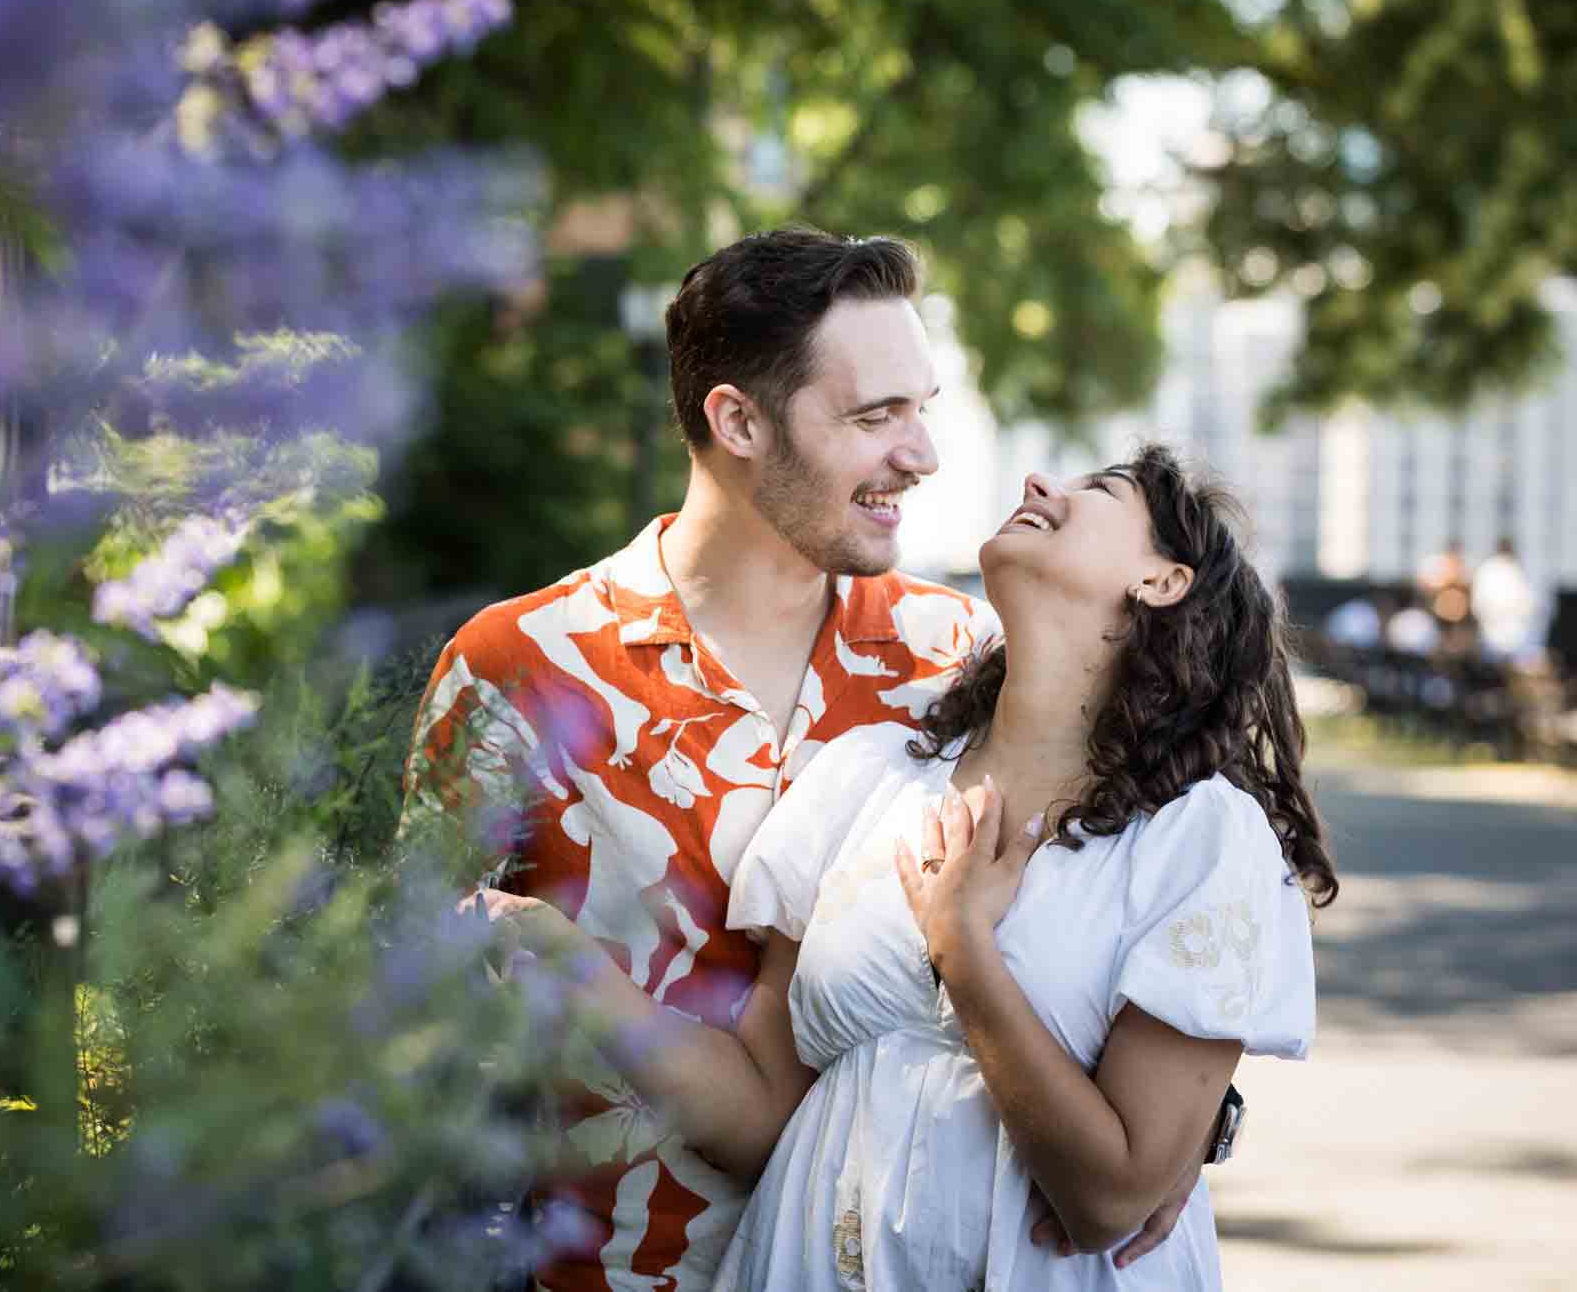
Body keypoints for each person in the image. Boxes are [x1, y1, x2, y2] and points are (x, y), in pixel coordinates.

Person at [406, 227, 1196, 1290]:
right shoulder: (515, 671)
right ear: (735, 419)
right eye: (876, 416)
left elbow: (1110, 923)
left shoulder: (961, 659)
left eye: (920, 407)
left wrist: (1182, 1126)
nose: (921, 454)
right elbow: (403, 1017)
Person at [483, 447, 1335, 1289]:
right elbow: (759, 1114)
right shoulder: (870, 774)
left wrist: (960, 943)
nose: (1040, 483)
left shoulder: (1199, 835)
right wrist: (568, 961)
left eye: (1101, 489)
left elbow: (1109, 1198)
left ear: (1163, 580)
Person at [1471, 537, 1539, 665]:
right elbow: (1480, 602)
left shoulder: (1517, 568)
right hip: (1492, 630)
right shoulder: (1489, 570)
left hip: (1516, 630)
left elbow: (1527, 601)